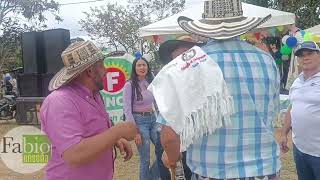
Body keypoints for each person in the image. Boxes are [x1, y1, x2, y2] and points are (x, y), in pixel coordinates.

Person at [156, 0, 281, 179]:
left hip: (213, 171)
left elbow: (169, 136)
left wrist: (172, 157)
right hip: (265, 170)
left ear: (206, 26)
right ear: (241, 24)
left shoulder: (185, 65)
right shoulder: (267, 61)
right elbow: (271, 114)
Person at [40, 40, 138, 180]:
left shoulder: (94, 95)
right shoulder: (60, 101)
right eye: (102, 66)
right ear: (90, 71)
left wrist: (114, 139)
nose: (106, 71)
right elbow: (74, 154)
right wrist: (118, 131)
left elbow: (92, 132)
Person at [158, 35, 204, 180]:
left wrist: (170, 150)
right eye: (176, 59)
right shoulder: (173, 82)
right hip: (182, 150)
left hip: (200, 156)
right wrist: (170, 152)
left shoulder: (209, 78)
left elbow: (169, 138)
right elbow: (169, 137)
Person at [123, 55, 170, 180]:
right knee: (145, 159)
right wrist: (135, 132)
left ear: (148, 67)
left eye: (144, 65)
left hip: (154, 120)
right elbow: (127, 110)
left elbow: (159, 101)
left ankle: (152, 176)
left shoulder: (151, 82)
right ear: (134, 68)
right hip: (139, 122)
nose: (142, 67)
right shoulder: (129, 85)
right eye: (139, 65)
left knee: (164, 149)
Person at [280, 41, 320, 180]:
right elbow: (292, 107)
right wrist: (284, 134)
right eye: (301, 55)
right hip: (300, 149)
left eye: (310, 53)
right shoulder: (297, 82)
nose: (305, 58)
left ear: (319, 56)